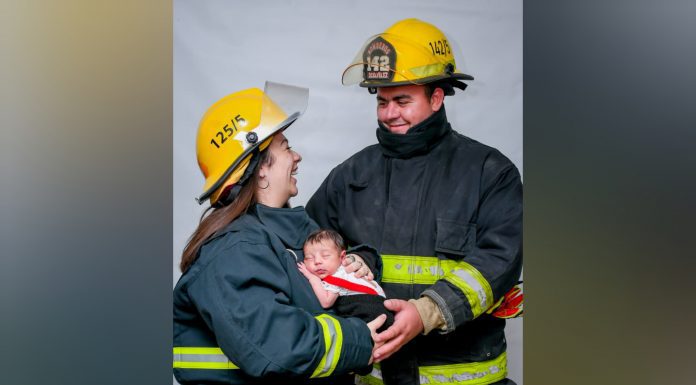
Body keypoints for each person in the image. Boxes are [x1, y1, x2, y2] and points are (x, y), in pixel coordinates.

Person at [306, 19, 523, 385]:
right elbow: (309, 249)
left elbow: (498, 261)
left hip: (462, 374)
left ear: (436, 98)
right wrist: (349, 260)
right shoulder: (351, 175)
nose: (390, 114)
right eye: (382, 102)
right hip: (376, 376)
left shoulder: (489, 171)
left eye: (403, 101)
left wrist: (428, 311)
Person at [173, 82, 387, 385]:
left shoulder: (287, 237)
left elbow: (320, 291)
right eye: (285, 146)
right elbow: (279, 346)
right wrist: (359, 341)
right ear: (260, 167)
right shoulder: (234, 250)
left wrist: (360, 261)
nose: (296, 156)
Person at [298, 229, 395, 331]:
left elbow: (326, 302)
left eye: (325, 256)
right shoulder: (339, 271)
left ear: (342, 256)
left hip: (373, 308)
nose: (317, 261)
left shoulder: (339, 275)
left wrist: (312, 278)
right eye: (309, 258)